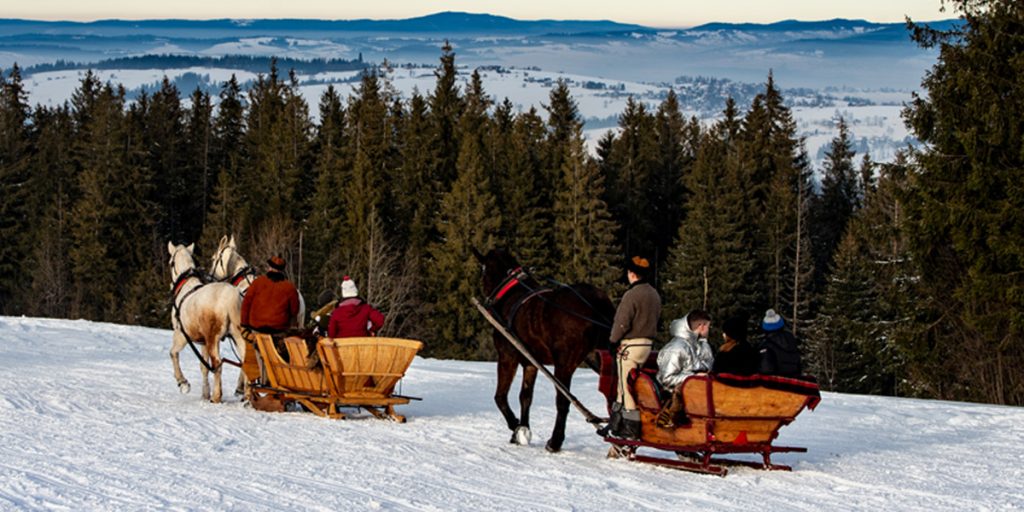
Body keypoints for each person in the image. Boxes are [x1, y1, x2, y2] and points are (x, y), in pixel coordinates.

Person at [601, 256, 661, 440]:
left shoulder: (632, 295)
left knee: (625, 388)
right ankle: (616, 423)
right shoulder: (654, 294)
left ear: (632, 274)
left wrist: (612, 341)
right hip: (647, 345)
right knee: (626, 386)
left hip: (631, 345)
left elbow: (622, 322)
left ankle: (630, 427)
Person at [654, 310, 712, 428]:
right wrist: (694, 378)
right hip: (675, 397)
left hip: (695, 391)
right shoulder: (676, 348)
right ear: (701, 326)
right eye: (708, 326)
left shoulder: (699, 345)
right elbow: (667, 378)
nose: (709, 330)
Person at [240, 256, 301, 335]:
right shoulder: (290, 288)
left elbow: (246, 304)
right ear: (282, 270)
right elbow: (294, 311)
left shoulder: (257, 282)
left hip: (256, 329)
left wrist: (244, 325)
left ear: (270, 267)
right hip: (278, 331)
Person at [758, 309, 803, 377]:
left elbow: (766, 369)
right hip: (794, 380)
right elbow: (798, 363)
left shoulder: (766, 346)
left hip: (776, 384)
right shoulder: (792, 340)